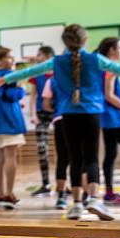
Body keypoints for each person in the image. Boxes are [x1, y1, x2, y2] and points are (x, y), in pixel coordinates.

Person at [0, 24, 120, 221]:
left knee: (75, 159)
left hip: (68, 114)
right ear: (85, 40)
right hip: (91, 113)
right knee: (91, 158)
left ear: (65, 42)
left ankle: (77, 203)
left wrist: (2, 80)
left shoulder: (57, 61)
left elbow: (30, 72)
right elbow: (119, 69)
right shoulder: (95, 59)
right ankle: (94, 199)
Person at [0, 47, 27, 208]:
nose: (12, 60)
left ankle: (0, 193)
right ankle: (9, 193)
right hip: (8, 120)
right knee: (10, 156)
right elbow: (11, 96)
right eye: (9, 57)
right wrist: (21, 88)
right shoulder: (7, 76)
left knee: (1, 158)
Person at [96, 37, 120, 202]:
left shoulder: (101, 66)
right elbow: (109, 95)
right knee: (110, 154)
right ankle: (109, 192)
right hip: (116, 117)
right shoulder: (110, 68)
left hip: (108, 117)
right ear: (111, 50)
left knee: (111, 154)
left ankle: (109, 192)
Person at [28, 46, 55, 197]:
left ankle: (67, 184)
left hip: (57, 113)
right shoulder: (36, 74)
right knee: (42, 149)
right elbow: (32, 96)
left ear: (47, 56)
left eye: (39, 54)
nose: (36, 57)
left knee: (66, 150)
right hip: (41, 114)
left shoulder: (59, 72)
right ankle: (46, 184)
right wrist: (33, 115)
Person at [41, 76, 71, 209]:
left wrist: (58, 109)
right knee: (83, 158)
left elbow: (46, 105)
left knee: (63, 159)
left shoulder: (52, 80)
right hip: (83, 118)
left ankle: (61, 196)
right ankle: (86, 196)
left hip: (60, 118)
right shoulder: (83, 76)